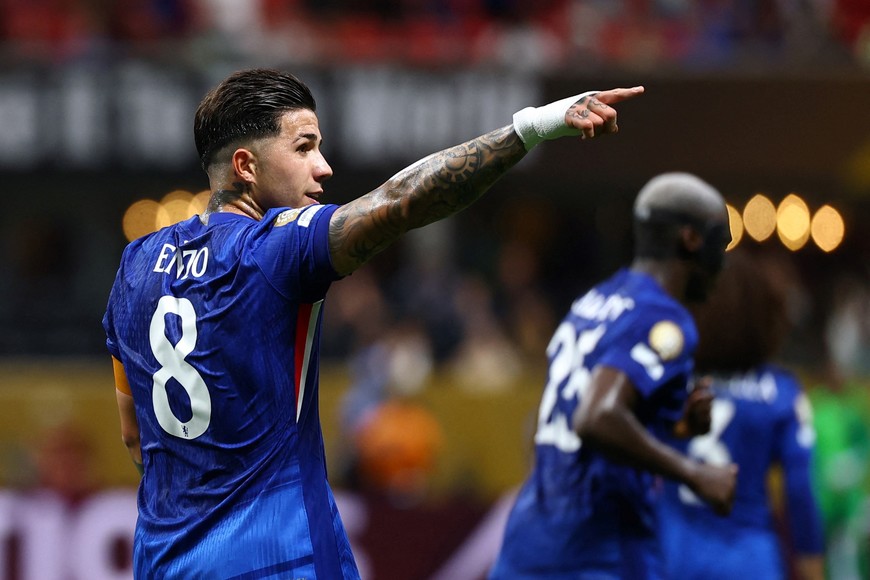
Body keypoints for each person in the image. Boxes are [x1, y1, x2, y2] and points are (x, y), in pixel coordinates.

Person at [102, 67, 644, 579]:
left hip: (164, 559)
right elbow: (401, 201)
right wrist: (535, 126)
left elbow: (134, 436)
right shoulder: (275, 248)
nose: (325, 167)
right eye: (304, 147)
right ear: (246, 166)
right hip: (281, 558)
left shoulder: (134, 265)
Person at [489, 171, 738, 579]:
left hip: (529, 539)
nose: (722, 262)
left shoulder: (593, 302)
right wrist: (694, 473)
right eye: (720, 243)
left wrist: (673, 427)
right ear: (691, 240)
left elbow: (549, 420)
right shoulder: (663, 318)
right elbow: (596, 417)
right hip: (597, 548)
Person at [657, 248, 825, 579]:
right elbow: (800, 488)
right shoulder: (781, 392)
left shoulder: (668, 382)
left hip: (671, 552)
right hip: (748, 559)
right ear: (763, 315)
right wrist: (811, 564)